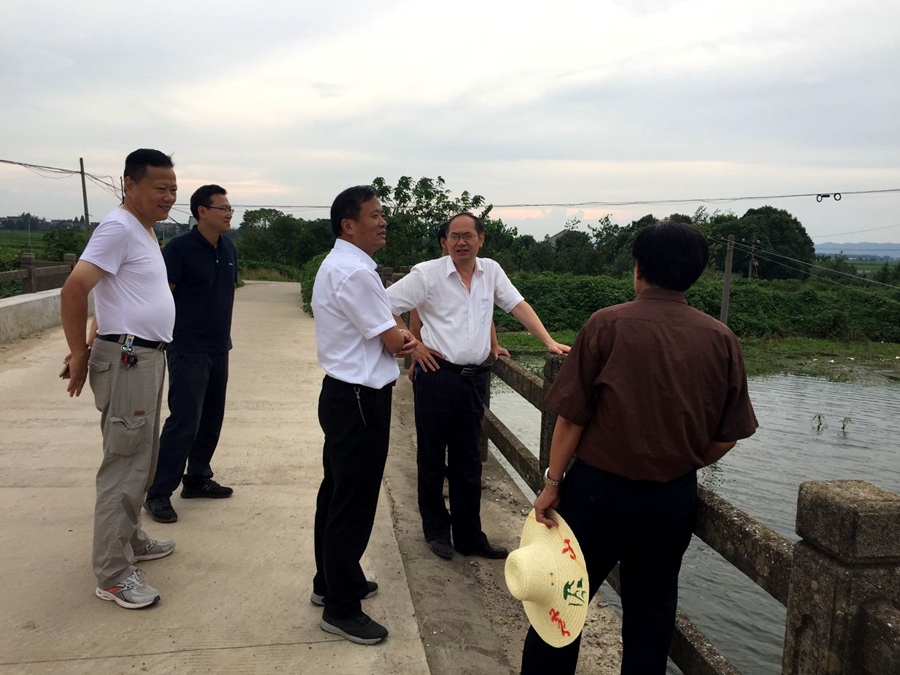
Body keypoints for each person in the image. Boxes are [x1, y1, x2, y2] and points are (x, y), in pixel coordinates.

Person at [522, 220, 758, 674]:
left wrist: (552, 483)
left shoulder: (606, 324)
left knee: (562, 602)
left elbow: (571, 418)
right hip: (672, 500)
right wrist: (683, 462)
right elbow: (728, 435)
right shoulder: (720, 337)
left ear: (638, 268)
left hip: (598, 493)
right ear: (695, 275)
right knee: (651, 616)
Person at [386, 212, 569, 562]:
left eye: (468, 235)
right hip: (437, 375)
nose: (461, 242)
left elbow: (517, 305)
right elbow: (384, 304)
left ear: (481, 239)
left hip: (474, 379)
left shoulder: (491, 272)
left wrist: (547, 340)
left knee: (468, 460)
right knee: (431, 456)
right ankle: (436, 531)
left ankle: (469, 536)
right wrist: (413, 343)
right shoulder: (427, 274)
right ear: (445, 242)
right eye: (454, 236)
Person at [60, 148, 178, 609]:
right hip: (129, 359)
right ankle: (112, 573)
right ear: (129, 185)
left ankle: (130, 540)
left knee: (142, 457)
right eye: (160, 187)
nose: (169, 196)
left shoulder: (143, 230)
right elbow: (75, 288)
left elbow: (111, 294)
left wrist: (95, 337)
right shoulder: (117, 227)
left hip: (145, 357)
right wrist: (79, 352)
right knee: (125, 463)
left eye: (173, 188)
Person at [310, 185, 418, 645]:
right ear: (348, 225)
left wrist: (397, 332)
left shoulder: (340, 265)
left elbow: (387, 330)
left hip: (343, 393)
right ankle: (341, 608)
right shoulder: (355, 272)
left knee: (336, 491)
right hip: (359, 399)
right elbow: (394, 340)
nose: (382, 222)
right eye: (374, 215)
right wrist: (407, 338)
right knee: (352, 502)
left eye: (381, 214)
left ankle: (332, 582)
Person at [143, 185, 238, 524]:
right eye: (223, 208)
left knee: (211, 418)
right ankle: (157, 493)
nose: (229, 214)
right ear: (202, 211)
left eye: (230, 208)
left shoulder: (228, 247)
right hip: (187, 347)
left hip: (219, 346)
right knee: (184, 421)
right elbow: (163, 297)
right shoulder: (180, 248)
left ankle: (197, 477)